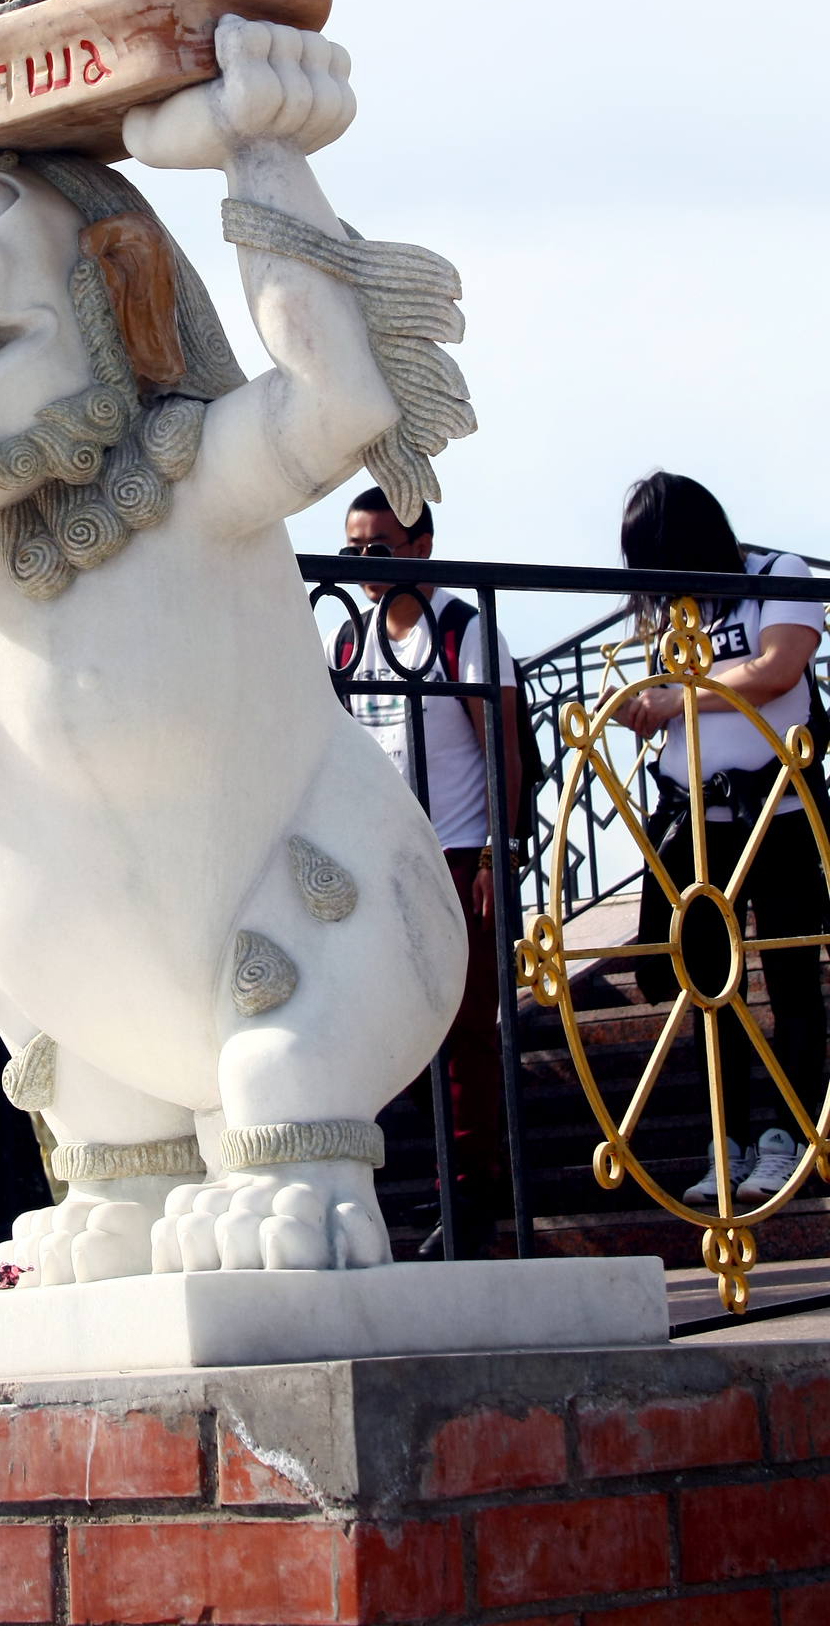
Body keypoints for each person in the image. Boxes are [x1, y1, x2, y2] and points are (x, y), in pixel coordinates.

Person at [617, 472, 827, 1207]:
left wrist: (679, 696)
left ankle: (793, 1137)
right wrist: (648, 706)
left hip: (781, 813)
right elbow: (670, 698)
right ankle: (726, 1143)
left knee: (794, 983)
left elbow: (778, 668)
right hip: (695, 824)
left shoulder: (780, 574)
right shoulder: (674, 610)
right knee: (711, 993)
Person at [327, 487, 522, 1256]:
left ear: (420, 548)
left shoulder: (463, 633)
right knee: (397, 1031)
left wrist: (494, 856)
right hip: (380, 859)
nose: (364, 566)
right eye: (352, 553)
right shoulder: (349, 642)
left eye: (378, 550)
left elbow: (501, 748)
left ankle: (472, 1198)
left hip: (456, 852)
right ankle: (463, 1171)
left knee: (463, 1029)